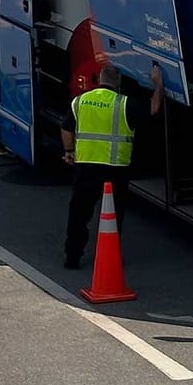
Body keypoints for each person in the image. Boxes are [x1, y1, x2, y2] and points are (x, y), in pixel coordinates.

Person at [62, 61, 163, 269]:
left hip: (86, 166)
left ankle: (72, 256)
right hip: (115, 169)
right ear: (118, 84)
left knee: (79, 213)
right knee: (113, 216)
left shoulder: (80, 101)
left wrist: (69, 151)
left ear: (100, 80)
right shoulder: (124, 104)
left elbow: (66, 128)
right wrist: (158, 84)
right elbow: (154, 108)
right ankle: (110, 257)